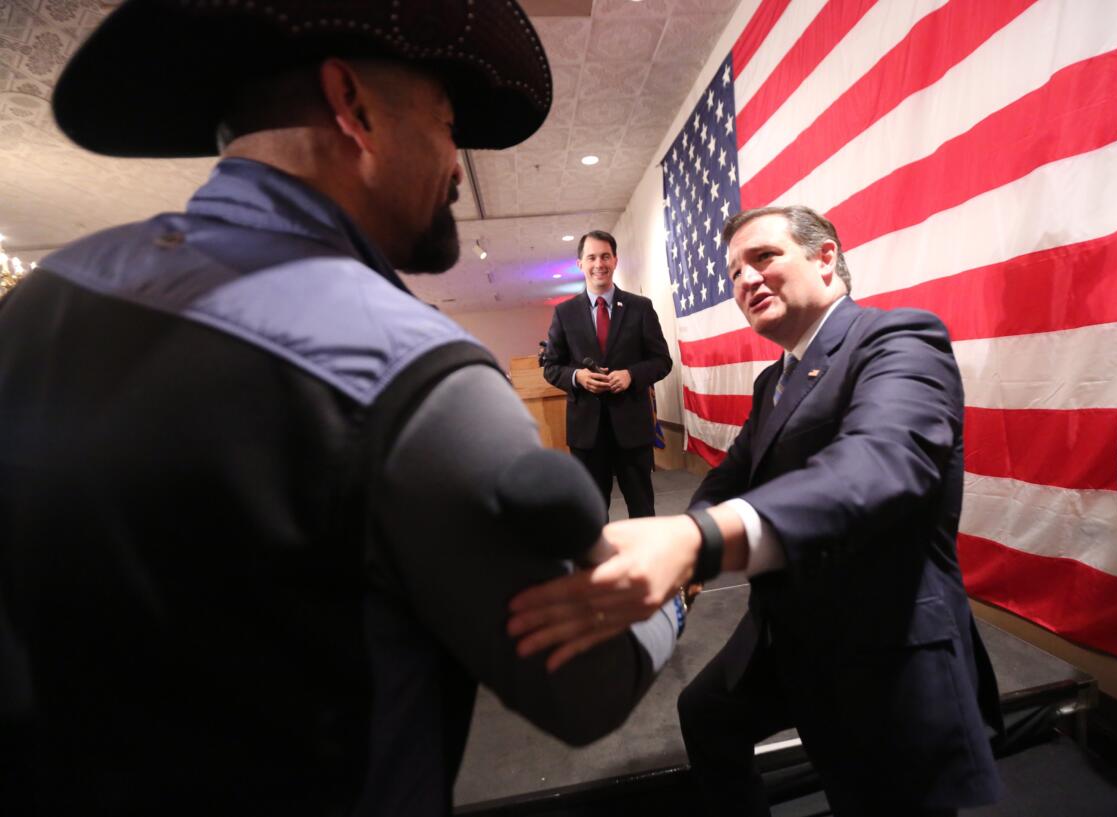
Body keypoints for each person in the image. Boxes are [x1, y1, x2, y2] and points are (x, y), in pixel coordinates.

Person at [0, 2, 680, 815]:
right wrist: (674, 577)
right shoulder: (411, 368)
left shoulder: (40, 299)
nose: (456, 165)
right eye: (446, 123)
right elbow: (584, 686)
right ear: (353, 108)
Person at [509, 206, 1003, 816]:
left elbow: (880, 467)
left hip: (879, 639)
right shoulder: (775, 381)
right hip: (786, 625)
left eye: (764, 257)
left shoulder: (898, 338)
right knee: (707, 716)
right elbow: (729, 477)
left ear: (826, 259)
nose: (745, 279)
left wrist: (701, 542)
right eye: (734, 270)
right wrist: (682, 560)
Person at [543, 231, 672, 518]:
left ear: (615, 260)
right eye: (591, 257)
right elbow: (551, 367)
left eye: (605, 256)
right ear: (580, 264)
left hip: (632, 427)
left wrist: (631, 375)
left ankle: (645, 563)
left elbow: (662, 361)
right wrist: (578, 377)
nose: (598, 263)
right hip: (586, 432)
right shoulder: (564, 313)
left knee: (642, 508)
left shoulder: (640, 307)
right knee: (590, 512)